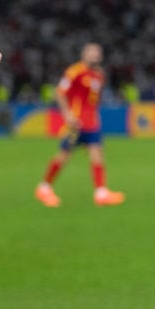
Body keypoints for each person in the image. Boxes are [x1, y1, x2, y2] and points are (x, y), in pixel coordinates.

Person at [34, 43, 124, 207]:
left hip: (92, 123)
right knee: (64, 154)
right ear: (84, 54)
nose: (94, 55)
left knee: (97, 154)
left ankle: (101, 193)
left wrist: (95, 116)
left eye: (97, 52)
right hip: (76, 123)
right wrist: (68, 115)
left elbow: (93, 100)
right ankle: (44, 187)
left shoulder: (99, 75)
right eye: (91, 52)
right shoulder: (75, 72)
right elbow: (59, 93)